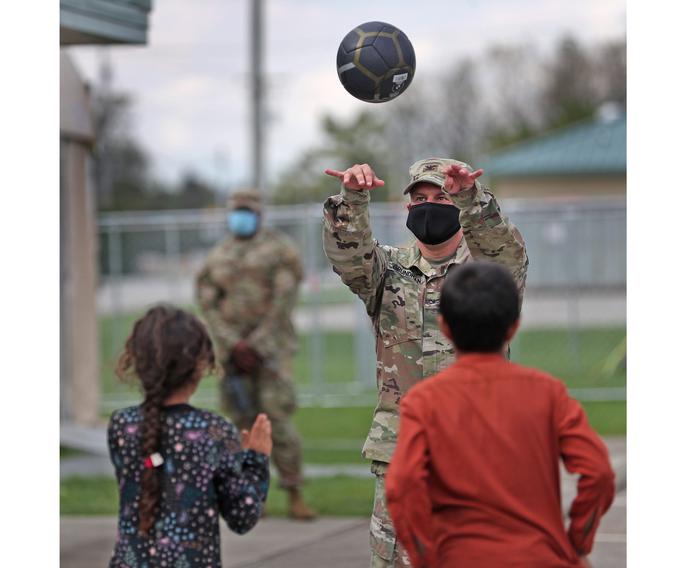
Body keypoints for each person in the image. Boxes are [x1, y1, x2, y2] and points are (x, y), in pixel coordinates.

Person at [322, 158, 529, 567]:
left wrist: (471, 199)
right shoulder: (387, 270)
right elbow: (349, 257)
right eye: (421, 198)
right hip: (403, 455)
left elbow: (503, 247)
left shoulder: (488, 273)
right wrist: (353, 197)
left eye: (442, 197)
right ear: (408, 208)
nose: (430, 205)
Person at [385, 263, 616, 568]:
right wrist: (577, 542)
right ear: (513, 327)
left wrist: (425, 556)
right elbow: (598, 472)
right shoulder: (548, 393)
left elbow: (402, 487)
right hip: (541, 557)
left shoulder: (424, 402)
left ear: (445, 328)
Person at [107, 304, 272, 568]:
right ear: (200, 364)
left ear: (137, 361)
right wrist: (256, 460)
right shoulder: (213, 431)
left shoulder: (122, 425)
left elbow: (154, 467)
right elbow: (242, 517)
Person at [196, 190, 317, 520]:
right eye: (236, 211)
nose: (241, 217)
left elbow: (284, 301)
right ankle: (251, 496)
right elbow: (208, 304)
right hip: (232, 356)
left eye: (247, 211)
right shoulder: (218, 255)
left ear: (260, 214)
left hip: (271, 353)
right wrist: (234, 344)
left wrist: (257, 344)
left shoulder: (279, 251)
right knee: (240, 425)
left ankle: (294, 492)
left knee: (277, 421)